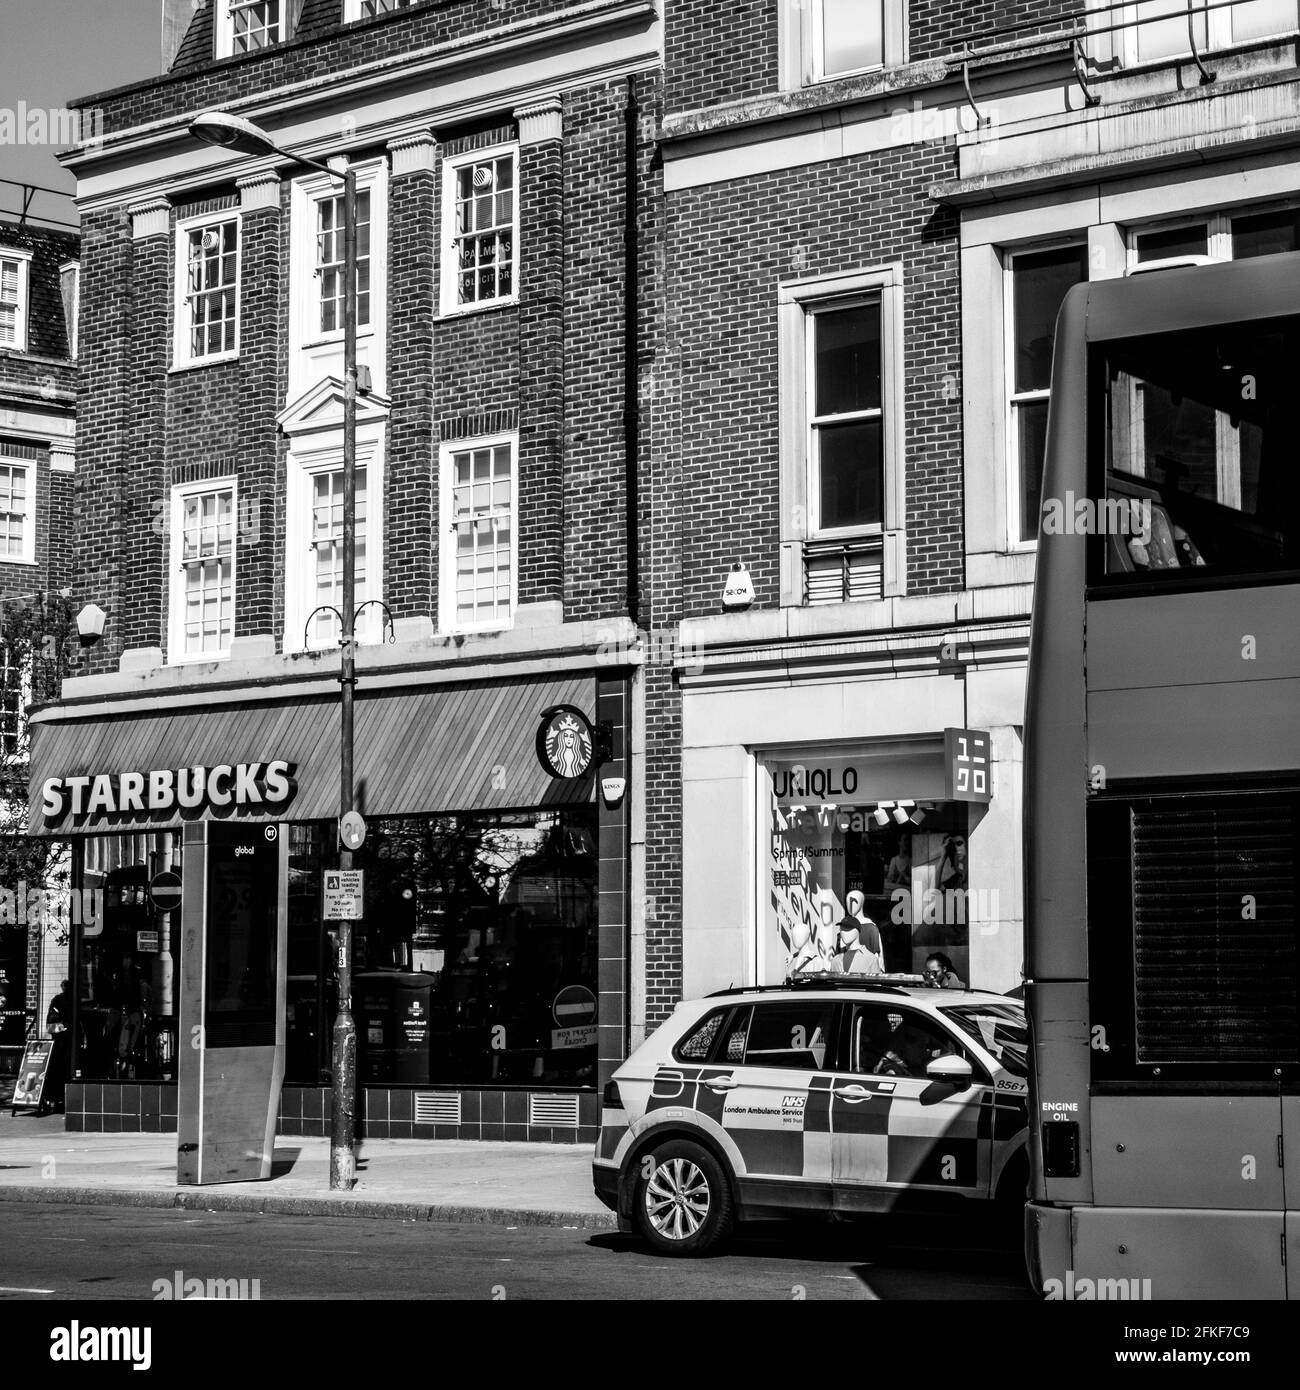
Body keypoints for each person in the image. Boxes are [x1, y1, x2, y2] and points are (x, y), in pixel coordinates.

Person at [835, 892, 884, 975]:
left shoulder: (871, 928)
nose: (850, 904)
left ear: (861, 903)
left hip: (866, 976)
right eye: (847, 901)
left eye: (854, 901)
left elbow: (878, 958)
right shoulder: (843, 926)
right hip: (845, 974)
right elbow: (839, 957)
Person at [44, 980, 74, 1111]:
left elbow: (50, 1025)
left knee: (58, 1070)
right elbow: (51, 1026)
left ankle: (56, 1098)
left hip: (61, 1043)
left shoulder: (57, 1001)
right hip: (65, 1043)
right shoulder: (72, 1000)